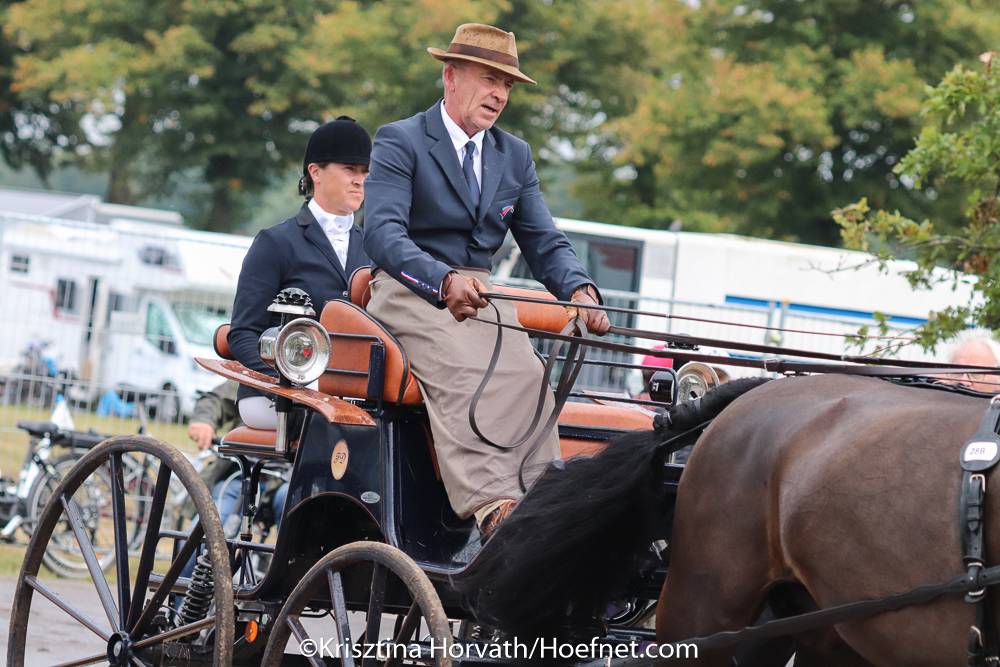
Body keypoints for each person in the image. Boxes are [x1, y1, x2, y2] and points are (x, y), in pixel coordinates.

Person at [363, 23, 610, 540]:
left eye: (508, 85)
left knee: (529, 375)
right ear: (451, 77)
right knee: (462, 369)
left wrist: (579, 289)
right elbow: (382, 235)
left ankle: (541, 503)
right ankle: (493, 506)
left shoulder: (514, 155)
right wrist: (441, 279)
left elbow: (543, 239)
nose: (499, 94)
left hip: (481, 294)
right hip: (411, 289)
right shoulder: (401, 140)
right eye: (489, 79)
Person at [228, 116, 372, 429]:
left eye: (365, 172)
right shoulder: (275, 243)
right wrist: (290, 384)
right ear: (315, 172)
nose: (359, 180)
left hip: (351, 393)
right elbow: (242, 333)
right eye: (350, 169)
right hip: (274, 394)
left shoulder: (375, 249)